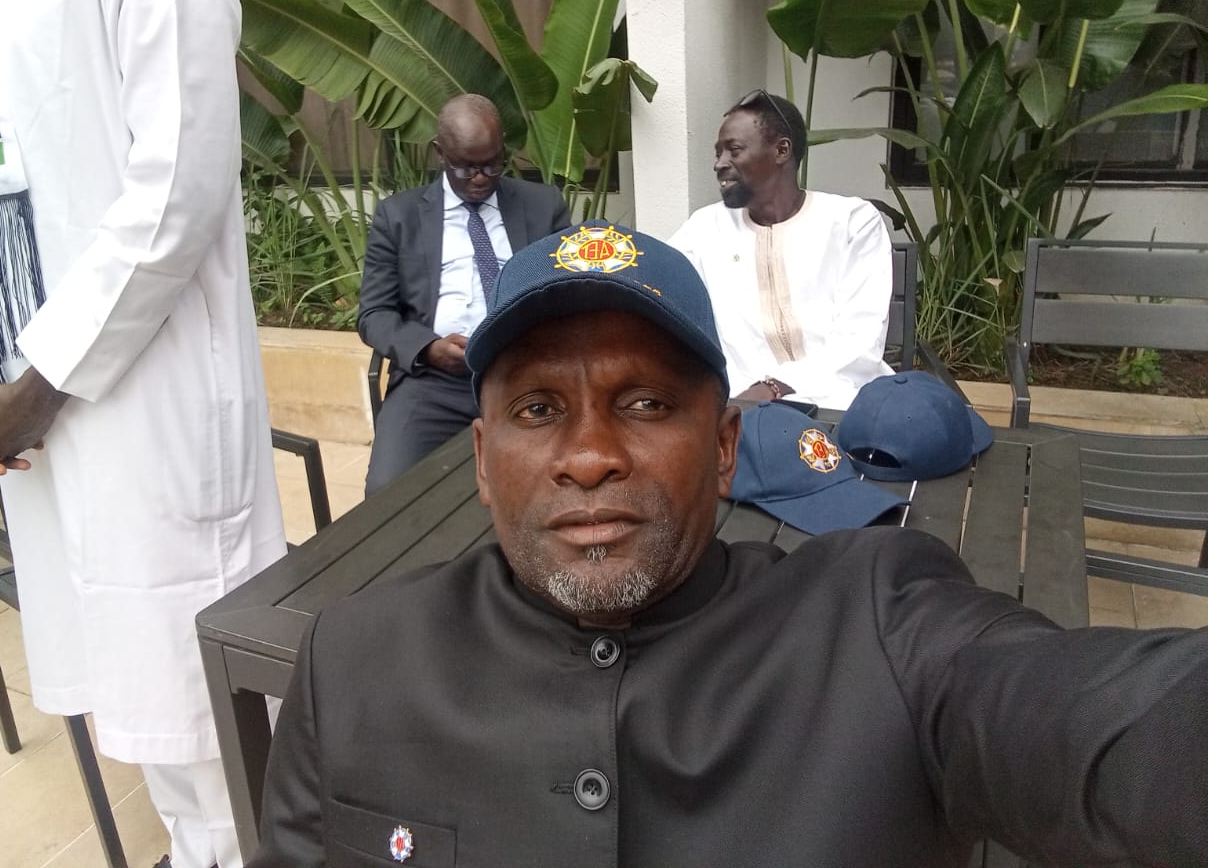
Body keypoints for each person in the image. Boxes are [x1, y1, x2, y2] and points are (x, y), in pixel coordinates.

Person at [248, 223, 1206, 868]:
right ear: (483, 460)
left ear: (722, 446)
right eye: (538, 409)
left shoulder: (879, 627)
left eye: (644, 402)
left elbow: (1094, 721)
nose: (589, 455)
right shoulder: (354, 662)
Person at [0, 0, 285, 867]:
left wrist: (43, 382)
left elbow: (180, 182)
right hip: (32, 384)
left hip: (140, 386)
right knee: (126, 676)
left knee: (198, 693)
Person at [357, 93, 570, 494]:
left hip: (524, 373)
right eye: (466, 167)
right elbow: (374, 314)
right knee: (386, 492)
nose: (480, 178)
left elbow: (567, 293)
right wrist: (428, 348)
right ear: (440, 152)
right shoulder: (399, 216)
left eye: (492, 164)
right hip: (433, 382)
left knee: (557, 484)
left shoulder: (543, 206)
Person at [670, 89, 893, 410]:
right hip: (745, 409)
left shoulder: (851, 223)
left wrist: (775, 387)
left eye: (734, 150)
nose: (719, 164)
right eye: (718, 153)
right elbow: (659, 282)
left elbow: (860, 339)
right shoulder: (704, 229)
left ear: (781, 150)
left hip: (842, 402)